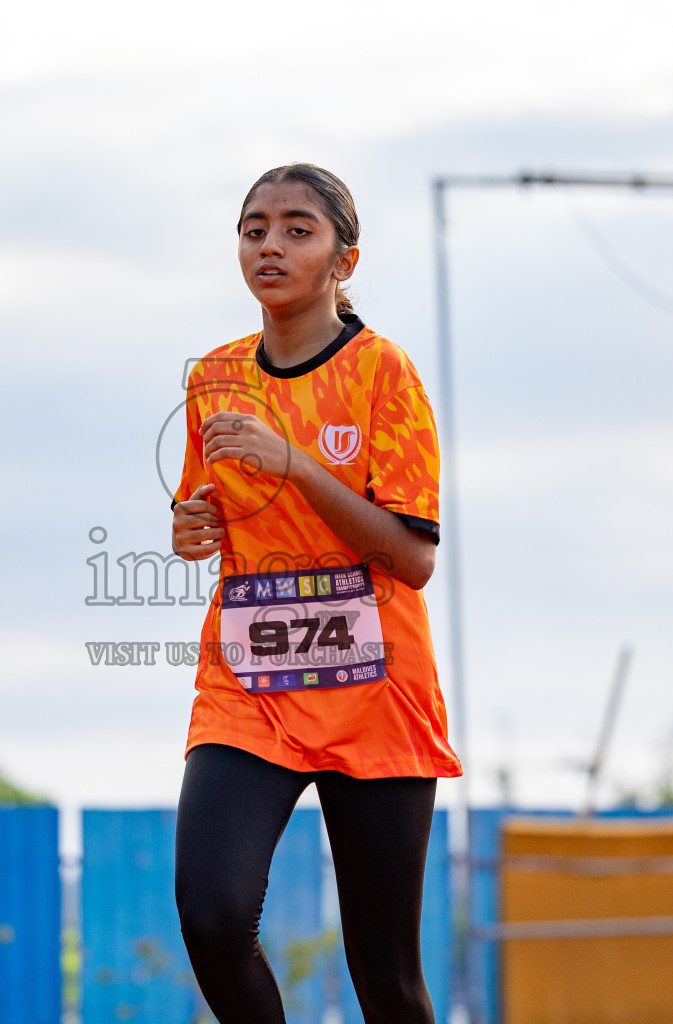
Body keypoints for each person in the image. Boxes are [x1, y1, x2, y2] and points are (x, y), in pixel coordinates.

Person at [169, 163, 461, 1024]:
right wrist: (190, 529)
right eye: (254, 227)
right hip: (250, 691)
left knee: (386, 978)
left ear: (345, 260)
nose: (270, 244)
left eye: (299, 228)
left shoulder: (383, 375)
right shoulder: (214, 378)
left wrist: (295, 461)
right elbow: (209, 508)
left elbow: (412, 558)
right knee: (212, 917)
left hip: (375, 693)